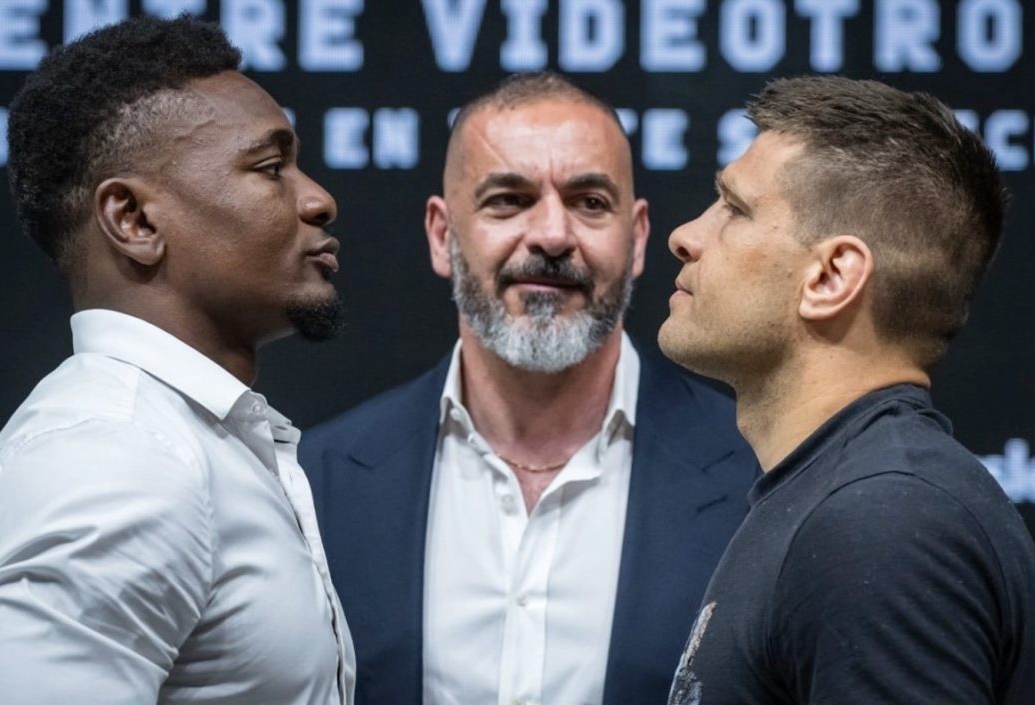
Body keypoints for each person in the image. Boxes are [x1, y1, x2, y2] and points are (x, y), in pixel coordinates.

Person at [299, 72, 758, 705]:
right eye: (508, 200)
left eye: (590, 202)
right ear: (441, 234)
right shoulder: (315, 485)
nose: (551, 236)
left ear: (639, 237)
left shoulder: (758, 480)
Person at [0, 16, 354, 705]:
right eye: (270, 169)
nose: (319, 199)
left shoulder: (188, 440)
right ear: (135, 221)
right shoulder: (116, 459)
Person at [658, 75, 1035, 705]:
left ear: (831, 277)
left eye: (735, 209)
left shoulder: (883, 526)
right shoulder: (841, 500)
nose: (687, 236)